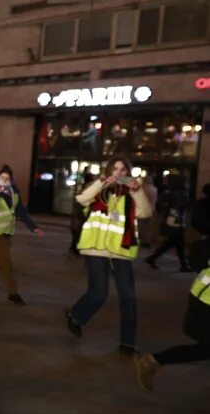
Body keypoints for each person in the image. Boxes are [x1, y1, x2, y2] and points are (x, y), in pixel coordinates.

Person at [65, 157, 152, 355]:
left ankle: (128, 342)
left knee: (128, 296)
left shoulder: (131, 194)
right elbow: (81, 199)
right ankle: (76, 316)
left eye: (123, 170)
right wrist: (102, 182)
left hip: (121, 250)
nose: (119, 173)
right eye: (115, 169)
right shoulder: (99, 189)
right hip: (96, 247)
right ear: (109, 170)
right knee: (99, 293)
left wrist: (138, 191)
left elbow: (146, 213)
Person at [133, 236, 210, 391]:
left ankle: (153, 361)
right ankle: (153, 361)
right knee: (206, 348)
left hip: (202, 295)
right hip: (205, 300)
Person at [0, 165, 43, 305]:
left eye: (7, 178)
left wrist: (33, 228)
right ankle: (12, 293)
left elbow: (22, 212)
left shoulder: (14, 193)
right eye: (2, 177)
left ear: (11, 180)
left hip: (7, 231)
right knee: (6, 262)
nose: (4, 180)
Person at [145, 174, 191, 272]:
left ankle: (183, 264)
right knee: (176, 242)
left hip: (172, 221)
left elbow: (160, 207)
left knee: (176, 243)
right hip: (176, 222)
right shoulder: (179, 194)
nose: (187, 185)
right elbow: (185, 206)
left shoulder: (169, 193)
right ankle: (183, 264)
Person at [69, 172, 95, 257]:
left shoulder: (82, 187)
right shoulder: (90, 186)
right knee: (79, 231)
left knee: (76, 231)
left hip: (79, 212)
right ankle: (76, 248)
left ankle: (74, 248)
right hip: (82, 212)